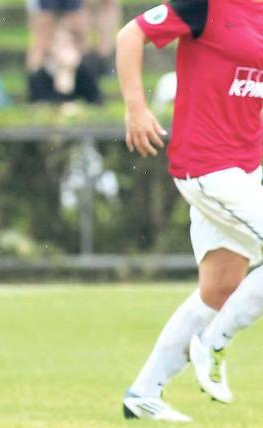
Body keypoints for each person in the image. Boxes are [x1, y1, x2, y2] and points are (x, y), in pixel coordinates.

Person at [116, 0, 262, 422]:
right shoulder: (205, 4)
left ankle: (143, 393)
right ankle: (213, 342)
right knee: (222, 296)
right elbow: (130, 34)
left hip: (245, 168)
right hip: (207, 166)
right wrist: (136, 107)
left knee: (220, 287)